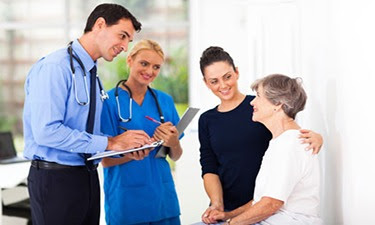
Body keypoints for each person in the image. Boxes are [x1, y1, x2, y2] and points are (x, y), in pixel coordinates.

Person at [23, 4, 150, 225]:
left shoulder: (91, 74)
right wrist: (111, 142)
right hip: (55, 181)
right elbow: (46, 132)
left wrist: (126, 148)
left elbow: (89, 133)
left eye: (128, 41)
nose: (124, 47)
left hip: (86, 177)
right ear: (99, 25)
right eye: (122, 36)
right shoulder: (56, 67)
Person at [197, 47, 323, 224]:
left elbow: (290, 129)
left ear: (236, 72)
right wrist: (222, 210)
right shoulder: (208, 119)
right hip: (242, 206)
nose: (223, 85)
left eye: (227, 77)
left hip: (264, 210)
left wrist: (316, 138)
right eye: (214, 81)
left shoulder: (262, 110)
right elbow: (209, 165)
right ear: (206, 82)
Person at [100, 39, 183, 225]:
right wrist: (133, 154)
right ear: (130, 60)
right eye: (144, 63)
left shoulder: (165, 101)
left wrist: (173, 142)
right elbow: (104, 160)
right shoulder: (109, 103)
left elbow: (175, 156)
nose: (149, 71)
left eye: (156, 67)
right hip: (126, 203)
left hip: (163, 200)